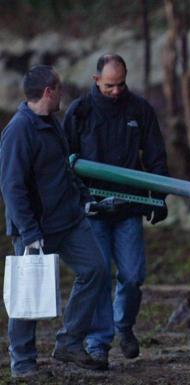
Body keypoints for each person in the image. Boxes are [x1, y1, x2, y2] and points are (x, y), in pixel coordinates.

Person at [0, 65, 109, 377]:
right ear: (48, 91)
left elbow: (66, 168)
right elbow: (12, 186)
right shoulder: (19, 131)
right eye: (59, 88)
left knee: (96, 271)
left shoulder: (52, 123)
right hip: (35, 230)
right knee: (27, 295)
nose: (63, 93)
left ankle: (69, 342)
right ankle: (23, 364)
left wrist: (84, 197)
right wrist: (29, 231)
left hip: (70, 221)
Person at [62, 54, 169, 366]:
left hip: (129, 207)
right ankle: (98, 341)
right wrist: (74, 201)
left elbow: (155, 156)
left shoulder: (140, 109)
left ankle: (124, 325)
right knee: (98, 277)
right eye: (109, 85)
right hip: (92, 210)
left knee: (133, 275)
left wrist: (158, 197)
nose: (116, 90)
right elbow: (64, 160)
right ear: (96, 80)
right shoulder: (79, 112)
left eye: (121, 84)